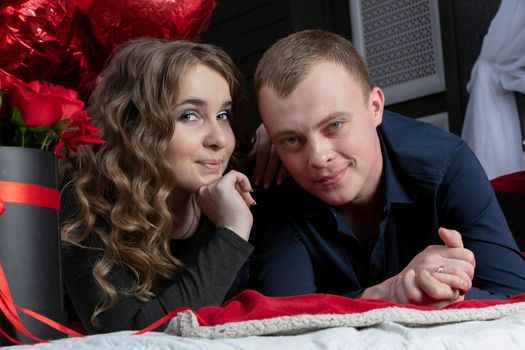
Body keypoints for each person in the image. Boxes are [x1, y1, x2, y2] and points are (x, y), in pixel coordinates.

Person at [249, 29, 525, 307]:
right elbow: (287, 311)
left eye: (334, 125)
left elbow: (515, 295)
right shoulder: (274, 179)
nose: (319, 157)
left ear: (375, 107)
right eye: (292, 139)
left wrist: (447, 291)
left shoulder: (447, 162)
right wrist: (388, 293)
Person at [61, 38, 256, 334]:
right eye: (190, 115)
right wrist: (231, 233)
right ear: (137, 126)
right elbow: (133, 337)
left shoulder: (240, 189)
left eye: (223, 115)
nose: (219, 139)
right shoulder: (87, 202)